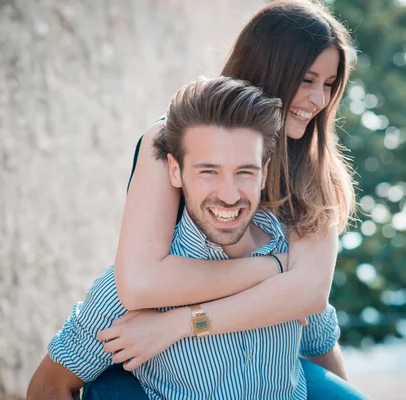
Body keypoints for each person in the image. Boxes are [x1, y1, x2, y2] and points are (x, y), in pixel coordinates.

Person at [89, 1, 364, 399]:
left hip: (274, 354)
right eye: (307, 79)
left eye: (329, 84)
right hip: (169, 368)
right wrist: (274, 268)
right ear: (270, 67)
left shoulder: (317, 169)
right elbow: (140, 284)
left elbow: (308, 296)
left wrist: (180, 323)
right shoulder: (171, 138)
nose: (319, 99)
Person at [27, 76, 353, 400]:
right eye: (208, 171)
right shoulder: (134, 288)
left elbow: (323, 352)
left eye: (245, 172)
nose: (229, 195)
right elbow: (47, 386)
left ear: (264, 172)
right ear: (175, 171)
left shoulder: (297, 263)